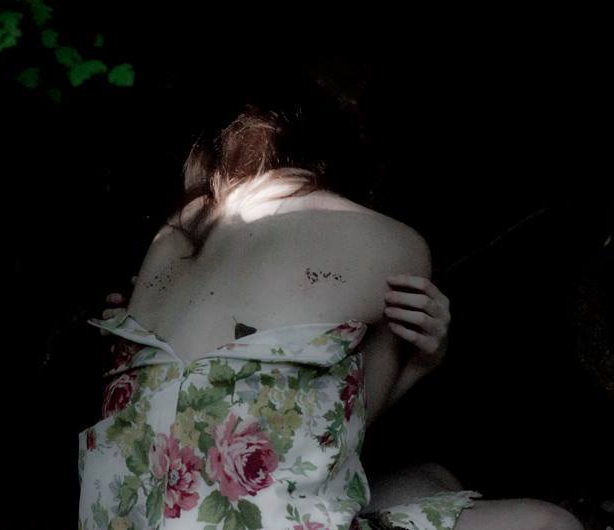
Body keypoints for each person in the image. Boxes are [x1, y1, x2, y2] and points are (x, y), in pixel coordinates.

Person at [79, 86, 582, 529]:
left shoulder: (170, 237)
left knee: (430, 478)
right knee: (550, 523)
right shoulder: (390, 243)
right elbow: (345, 436)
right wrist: (423, 363)